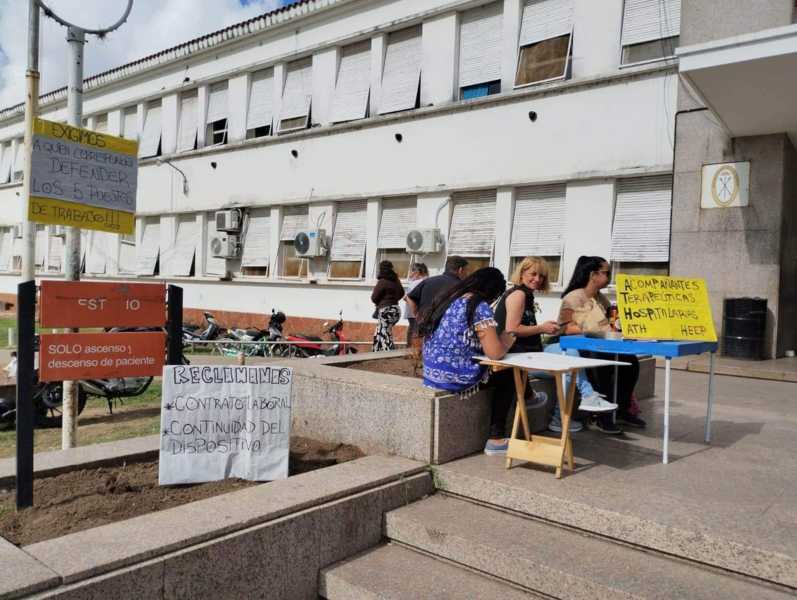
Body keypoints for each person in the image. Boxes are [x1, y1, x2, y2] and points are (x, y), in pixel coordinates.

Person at [493, 257, 617, 434]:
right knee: (570, 358)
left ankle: (566, 414)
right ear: (521, 274)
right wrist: (542, 328)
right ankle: (580, 402)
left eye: (541, 276)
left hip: (531, 353)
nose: (537, 279)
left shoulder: (526, 294)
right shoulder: (518, 295)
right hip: (518, 358)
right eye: (533, 274)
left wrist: (545, 328)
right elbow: (512, 329)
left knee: (570, 355)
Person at [417, 267, 517, 456]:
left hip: (431, 373)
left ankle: (529, 400)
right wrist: (506, 340)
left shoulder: (447, 299)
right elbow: (494, 353)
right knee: (509, 375)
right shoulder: (478, 306)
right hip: (456, 377)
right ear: (492, 292)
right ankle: (496, 439)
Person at [558, 256, 645, 433]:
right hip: (581, 347)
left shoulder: (600, 298)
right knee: (601, 364)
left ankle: (621, 409)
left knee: (631, 362)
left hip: (602, 345)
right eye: (606, 272)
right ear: (593, 275)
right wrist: (588, 328)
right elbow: (564, 328)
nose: (609, 276)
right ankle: (600, 416)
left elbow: (610, 323)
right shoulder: (573, 297)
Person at [371, 260, 404, 351]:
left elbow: (374, 297)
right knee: (379, 330)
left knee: (384, 332)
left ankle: (388, 353)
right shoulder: (396, 280)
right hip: (396, 310)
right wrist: (394, 300)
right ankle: (376, 351)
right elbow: (402, 293)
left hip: (386, 310)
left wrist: (382, 302)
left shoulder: (382, 281)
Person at [403, 262, 428, 345]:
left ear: (417, 272)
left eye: (411, 272)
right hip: (418, 310)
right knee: (416, 330)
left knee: (413, 330)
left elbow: (405, 297)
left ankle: (410, 349)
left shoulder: (416, 283)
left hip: (414, 311)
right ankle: (413, 350)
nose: (410, 274)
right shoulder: (425, 281)